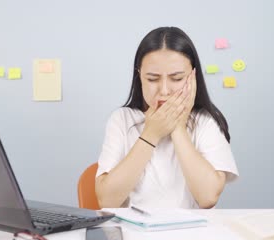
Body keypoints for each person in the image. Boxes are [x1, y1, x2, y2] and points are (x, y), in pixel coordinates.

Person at [95, 27, 238, 209]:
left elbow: (208, 197)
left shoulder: (205, 121)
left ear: (193, 77)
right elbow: (107, 200)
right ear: (139, 77)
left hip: (192, 235)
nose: (164, 91)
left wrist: (177, 127)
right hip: (136, 234)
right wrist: (151, 133)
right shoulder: (122, 119)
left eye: (177, 78)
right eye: (153, 79)